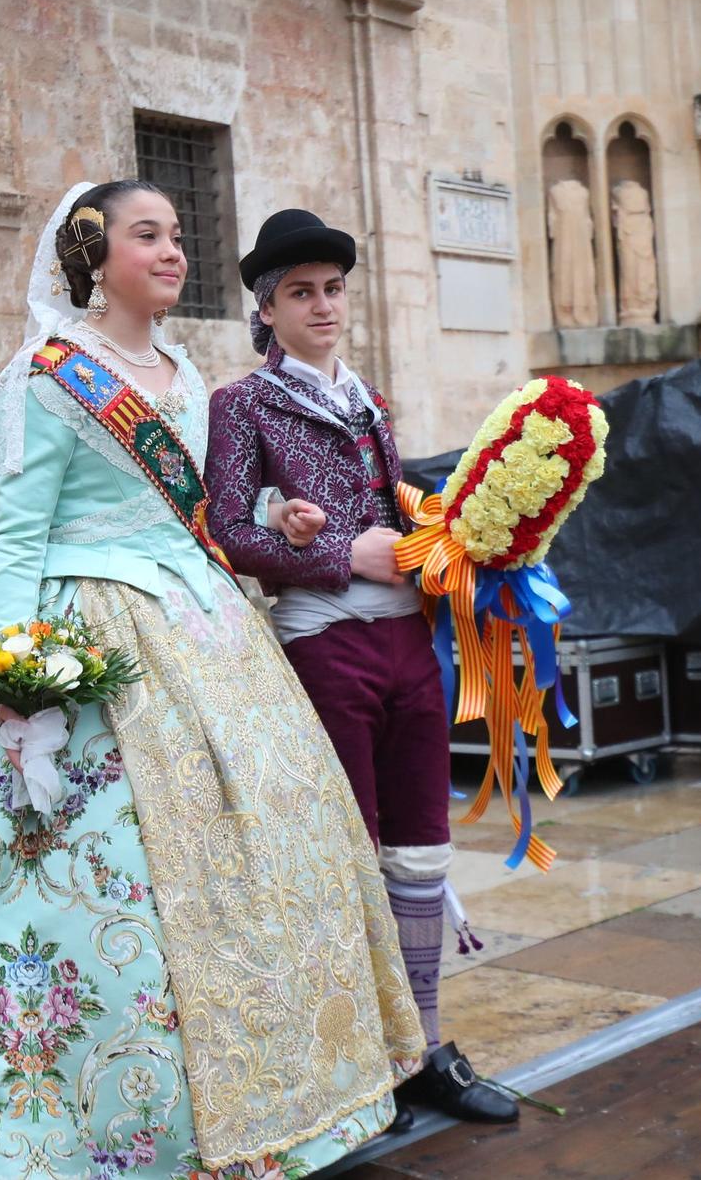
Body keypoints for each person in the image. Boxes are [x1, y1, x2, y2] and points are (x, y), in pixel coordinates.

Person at [0, 182, 424, 1180]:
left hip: (200, 624)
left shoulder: (180, 369)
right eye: (147, 234)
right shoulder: (50, 376)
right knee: (91, 887)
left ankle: (282, 1091)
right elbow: (21, 534)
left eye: (174, 234)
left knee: (264, 847)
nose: (171, 250)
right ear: (95, 253)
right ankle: (77, 1129)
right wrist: (20, 676)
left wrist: (283, 524)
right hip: (92, 631)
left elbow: (198, 512)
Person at [205, 209, 518, 1126]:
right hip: (325, 642)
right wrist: (343, 552)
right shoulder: (242, 404)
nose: (322, 305)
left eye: (333, 289)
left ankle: (418, 1044)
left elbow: (399, 515)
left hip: (409, 646)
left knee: (419, 845)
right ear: (267, 310)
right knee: (348, 848)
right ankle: (354, 1059)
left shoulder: (369, 399)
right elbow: (229, 531)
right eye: (300, 292)